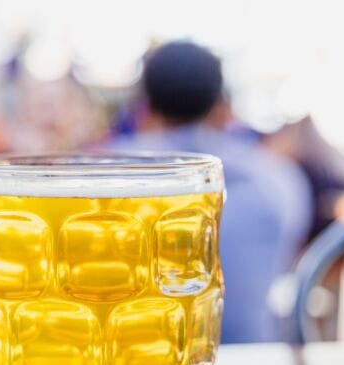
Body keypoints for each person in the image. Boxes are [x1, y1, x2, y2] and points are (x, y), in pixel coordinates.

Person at [111, 41, 312, 343]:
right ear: (221, 104)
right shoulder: (277, 177)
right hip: (254, 354)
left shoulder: (105, 180)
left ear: (146, 107)